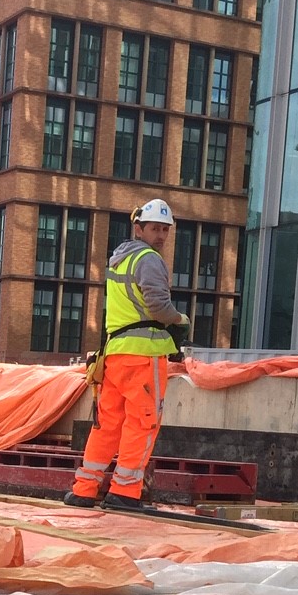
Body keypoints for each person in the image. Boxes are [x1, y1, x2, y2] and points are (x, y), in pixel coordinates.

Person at [66, 198, 191, 511]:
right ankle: (125, 491)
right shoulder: (149, 260)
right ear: (139, 228)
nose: (161, 235)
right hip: (144, 354)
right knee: (142, 423)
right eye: (155, 228)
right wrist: (180, 320)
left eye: (165, 229)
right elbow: (159, 307)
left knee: (106, 424)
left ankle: (84, 489)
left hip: (116, 354)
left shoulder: (118, 259)